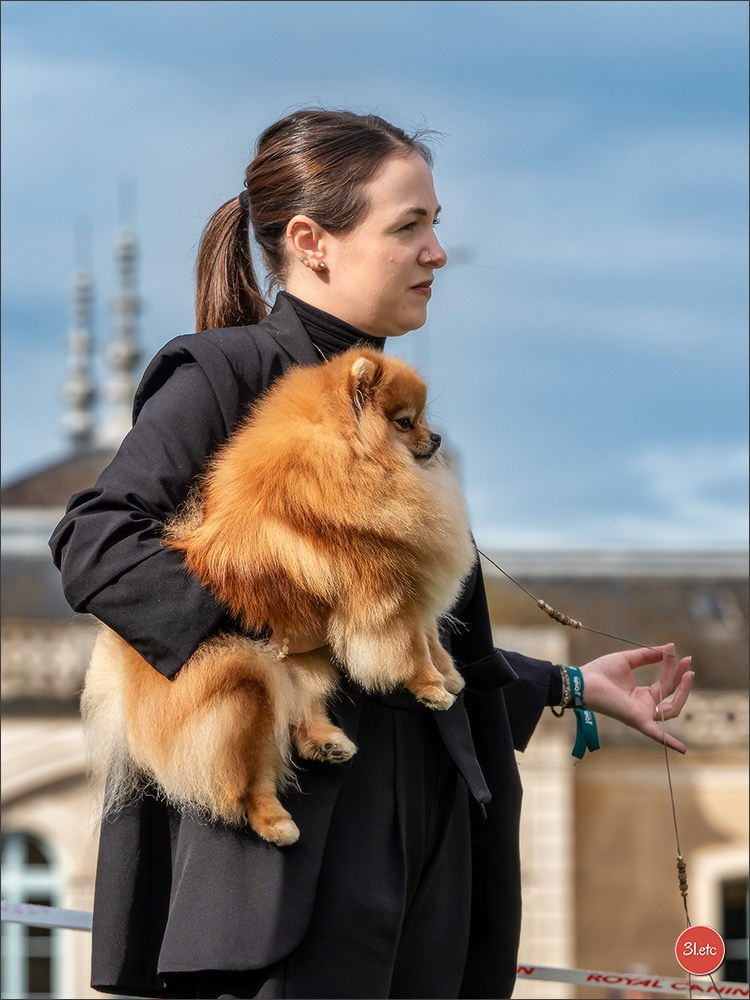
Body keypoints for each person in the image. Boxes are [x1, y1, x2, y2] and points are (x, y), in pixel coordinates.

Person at [50, 108, 694, 1000]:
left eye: (436, 225)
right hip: (291, 860)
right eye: (411, 226)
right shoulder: (221, 372)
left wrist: (568, 685)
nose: (437, 252)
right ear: (312, 241)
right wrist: (279, 631)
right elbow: (96, 541)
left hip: (431, 852)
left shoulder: (399, 414)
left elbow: (387, 635)